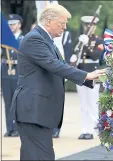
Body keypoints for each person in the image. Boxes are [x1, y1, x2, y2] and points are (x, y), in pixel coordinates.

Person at [10, 4, 105, 160]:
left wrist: (88, 79)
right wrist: (85, 76)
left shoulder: (44, 39)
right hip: (32, 111)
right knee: (41, 156)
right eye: (62, 23)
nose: (65, 27)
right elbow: (55, 65)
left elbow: (60, 66)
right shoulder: (35, 39)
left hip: (38, 112)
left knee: (34, 156)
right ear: (49, 21)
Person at [70, 16, 104, 140]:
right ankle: (85, 129)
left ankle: (95, 129)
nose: (89, 28)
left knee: (93, 103)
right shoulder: (80, 40)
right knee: (83, 104)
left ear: (95, 26)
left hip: (93, 74)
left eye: (91, 25)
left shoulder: (99, 41)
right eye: (86, 25)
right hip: (81, 73)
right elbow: (74, 56)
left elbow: (96, 55)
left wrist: (86, 45)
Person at [1, 13, 24, 137]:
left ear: (19, 25)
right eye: (9, 25)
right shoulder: (4, 40)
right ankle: (9, 128)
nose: (11, 27)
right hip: (5, 71)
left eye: (14, 24)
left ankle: (17, 127)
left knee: (18, 101)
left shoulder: (23, 39)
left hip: (18, 72)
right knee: (7, 101)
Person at [52, 29, 73, 138]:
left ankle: (56, 128)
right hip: (48, 70)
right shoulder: (44, 35)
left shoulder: (65, 35)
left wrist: (67, 70)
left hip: (60, 70)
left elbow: (68, 52)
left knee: (57, 101)